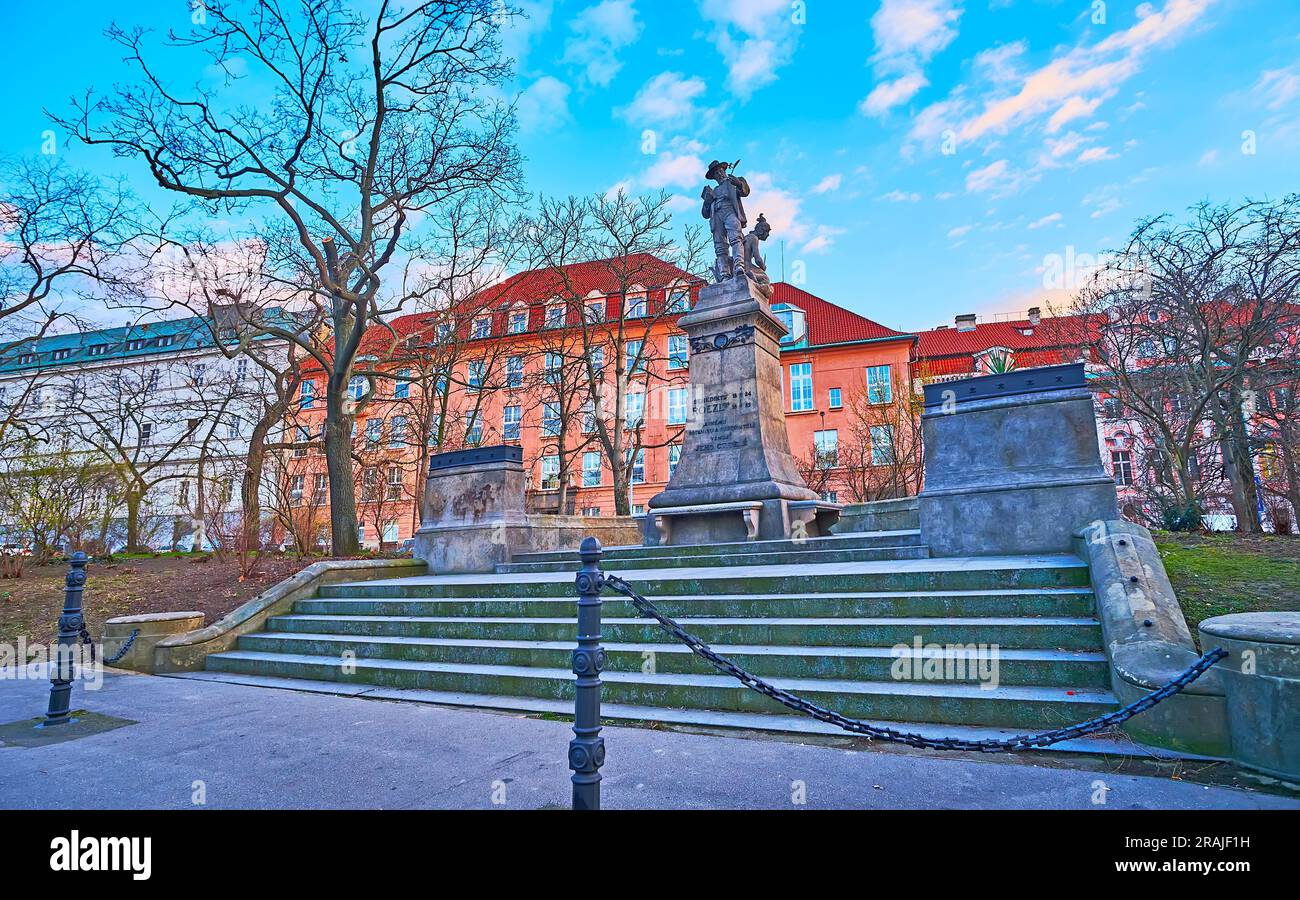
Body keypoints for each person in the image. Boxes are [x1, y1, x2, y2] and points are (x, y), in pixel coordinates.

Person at [700, 159, 750, 282]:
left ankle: (739, 266)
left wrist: (738, 183)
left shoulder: (732, 181)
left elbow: (745, 191)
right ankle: (724, 274)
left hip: (729, 211)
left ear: (724, 170)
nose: (719, 174)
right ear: (713, 177)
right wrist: (707, 201)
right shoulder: (714, 190)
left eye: (720, 171)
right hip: (716, 215)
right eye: (716, 174)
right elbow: (705, 213)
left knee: (735, 237)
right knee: (720, 246)